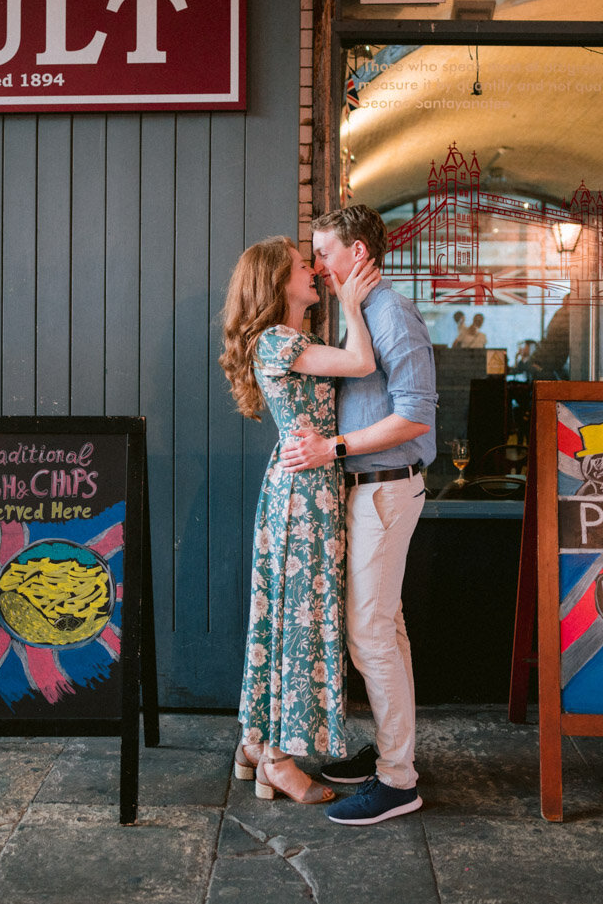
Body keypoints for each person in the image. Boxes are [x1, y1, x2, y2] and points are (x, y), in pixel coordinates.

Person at [281, 204, 437, 826]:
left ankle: (399, 781)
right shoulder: (362, 313)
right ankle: (392, 754)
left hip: (386, 488)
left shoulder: (390, 313)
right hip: (369, 488)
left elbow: (417, 414)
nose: (318, 266)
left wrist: (332, 448)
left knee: (370, 634)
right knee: (383, 630)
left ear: (358, 255)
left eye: (324, 252)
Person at [219, 236, 380, 805]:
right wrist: (356, 305)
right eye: (301, 266)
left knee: (283, 612)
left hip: (304, 489)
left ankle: (254, 745)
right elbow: (362, 363)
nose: (312, 270)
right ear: (276, 282)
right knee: (301, 616)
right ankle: (279, 762)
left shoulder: (288, 340)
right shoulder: (279, 340)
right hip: (304, 497)